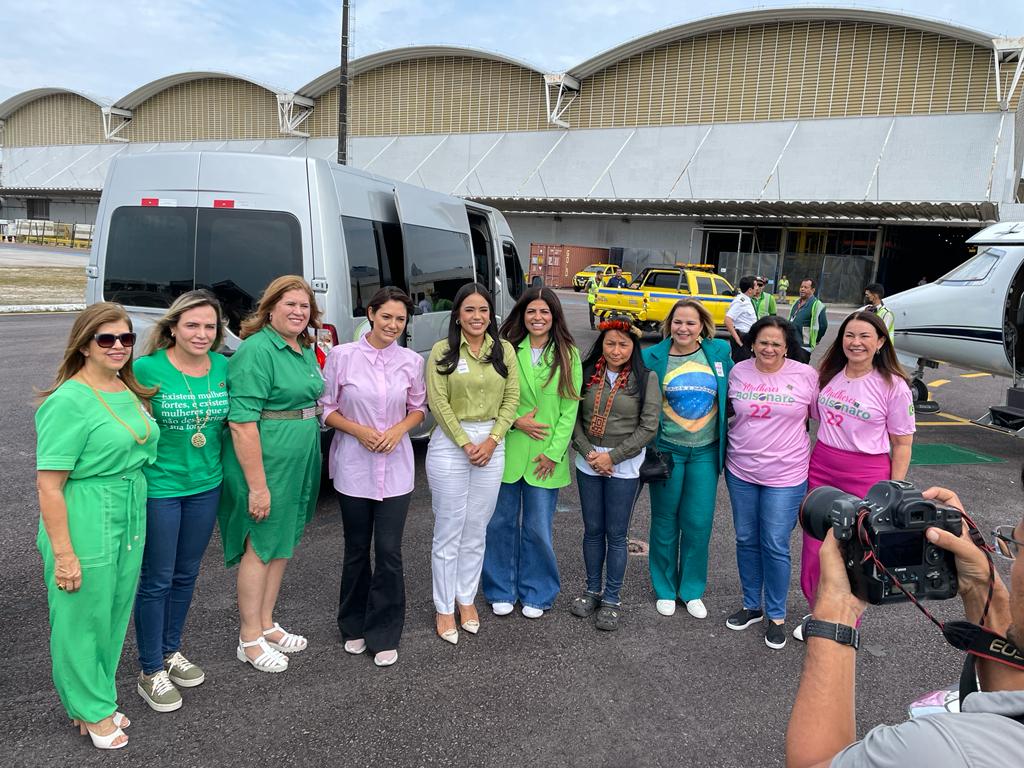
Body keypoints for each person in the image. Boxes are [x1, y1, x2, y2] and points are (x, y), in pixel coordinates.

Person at [786, 482, 1024, 767]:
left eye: (1016, 548)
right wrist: (980, 586)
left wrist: (835, 610)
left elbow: (814, 763)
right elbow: (1011, 704)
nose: (1011, 564)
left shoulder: (938, 750)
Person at [35, 303, 159, 749]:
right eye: (106, 339)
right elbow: (50, 486)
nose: (119, 347)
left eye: (126, 338)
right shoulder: (68, 400)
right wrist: (64, 554)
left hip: (129, 506)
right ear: (85, 344)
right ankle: (92, 708)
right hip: (86, 510)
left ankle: (93, 701)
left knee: (111, 612)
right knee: (81, 616)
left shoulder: (128, 389)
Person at [219, 275, 324, 673]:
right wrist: (257, 486)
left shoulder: (301, 348)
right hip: (269, 460)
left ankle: (266, 622)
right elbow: (243, 423)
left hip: (299, 456)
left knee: (281, 541)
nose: (298, 312)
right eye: (290, 304)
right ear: (270, 308)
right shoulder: (257, 350)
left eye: (304, 306)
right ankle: (249, 638)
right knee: (260, 544)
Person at [132, 290, 229, 712]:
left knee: (187, 575)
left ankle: (172, 652)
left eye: (209, 326)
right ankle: (150, 669)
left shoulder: (225, 365)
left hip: (207, 485)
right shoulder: (145, 367)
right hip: (161, 488)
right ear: (173, 327)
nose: (201, 334)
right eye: (192, 325)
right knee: (157, 578)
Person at [320, 287, 426, 668]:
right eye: (386, 317)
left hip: (396, 471)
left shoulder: (412, 361)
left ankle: (384, 632)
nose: (393, 325)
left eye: (400, 319)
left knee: (389, 551)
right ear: (370, 314)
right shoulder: (341, 356)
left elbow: (418, 408)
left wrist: (399, 431)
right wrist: (357, 430)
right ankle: (352, 626)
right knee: (355, 549)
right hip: (353, 467)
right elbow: (326, 408)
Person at [795, 310, 916, 641]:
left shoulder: (894, 386)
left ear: (880, 342)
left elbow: (902, 444)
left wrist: (893, 492)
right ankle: (818, 610)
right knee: (815, 547)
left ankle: (846, 621)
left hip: (866, 474)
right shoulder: (829, 374)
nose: (856, 342)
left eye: (865, 336)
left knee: (855, 550)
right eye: (850, 335)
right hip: (822, 466)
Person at [426, 283, 519, 645]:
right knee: (449, 528)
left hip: (493, 442)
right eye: (469, 310)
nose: (477, 317)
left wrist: (493, 439)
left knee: (477, 528)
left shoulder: (504, 351)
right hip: (452, 444)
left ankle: (466, 599)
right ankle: (443, 605)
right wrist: (466, 443)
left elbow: (512, 397)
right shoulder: (441, 351)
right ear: (458, 315)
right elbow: (438, 402)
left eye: (483, 310)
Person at [482, 287, 582, 619]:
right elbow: (493, 399)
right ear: (522, 315)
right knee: (500, 524)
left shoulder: (568, 354)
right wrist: (514, 423)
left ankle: (538, 592)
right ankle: (500, 589)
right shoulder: (506, 351)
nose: (537, 318)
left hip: (545, 459)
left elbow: (570, 410)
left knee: (538, 528)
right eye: (531, 312)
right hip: (508, 450)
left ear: (554, 317)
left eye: (544, 312)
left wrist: (554, 453)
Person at [724, 316, 818, 650]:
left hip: (786, 475)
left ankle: (776, 616)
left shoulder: (806, 375)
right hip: (742, 471)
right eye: (763, 342)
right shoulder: (738, 372)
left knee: (775, 542)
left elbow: (828, 419)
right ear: (752, 342)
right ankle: (752, 604)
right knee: (746, 538)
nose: (769, 348)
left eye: (777, 343)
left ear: (787, 346)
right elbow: (728, 414)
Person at [643, 299, 732, 619]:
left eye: (690, 323)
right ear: (669, 324)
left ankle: (691, 589)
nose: (683, 328)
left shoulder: (719, 353)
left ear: (702, 326)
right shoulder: (652, 356)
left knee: (698, 523)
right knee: (665, 521)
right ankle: (665, 588)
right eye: (678, 322)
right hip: (667, 451)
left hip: (705, 453)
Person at [570, 317, 660, 630]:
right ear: (601, 344)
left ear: (634, 346)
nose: (616, 350)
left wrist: (614, 457)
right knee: (593, 529)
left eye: (623, 344)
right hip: (589, 459)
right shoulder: (585, 374)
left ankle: (612, 598)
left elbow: (649, 426)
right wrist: (588, 452)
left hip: (625, 463)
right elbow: (572, 419)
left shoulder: (645, 378)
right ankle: (592, 589)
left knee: (617, 534)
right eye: (610, 343)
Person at [725, 275, 758, 362]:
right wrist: (738, 340)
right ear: (750, 290)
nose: (757, 288)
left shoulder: (748, 300)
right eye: (756, 286)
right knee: (740, 366)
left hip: (748, 338)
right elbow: (728, 319)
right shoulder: (741, 301)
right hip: (742, 338)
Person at [789, 278, 827, 352]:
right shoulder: (796, 302)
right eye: (801, 287)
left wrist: (816, 339)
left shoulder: (817, 305)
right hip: (790, 343)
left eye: (806, 287)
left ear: (813, 290)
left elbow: (823, 326)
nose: (802, 289)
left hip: (803, 346)